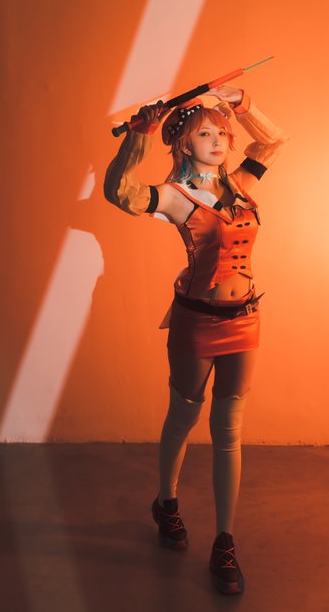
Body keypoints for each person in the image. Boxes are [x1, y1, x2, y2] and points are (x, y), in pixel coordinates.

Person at [103, 84, 287, 595]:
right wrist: (138, 137)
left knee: (229, 430)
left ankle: (225, 542)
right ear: (184, 143)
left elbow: (274, 140)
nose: (219, 141)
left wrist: (243, 103)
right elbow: (120, 192)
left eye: (222, 133)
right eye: (205, 134)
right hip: (197, 321)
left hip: (245, 318)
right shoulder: (176, 198)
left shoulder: (242, 186)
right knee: (183, 416)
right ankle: (167, 502)